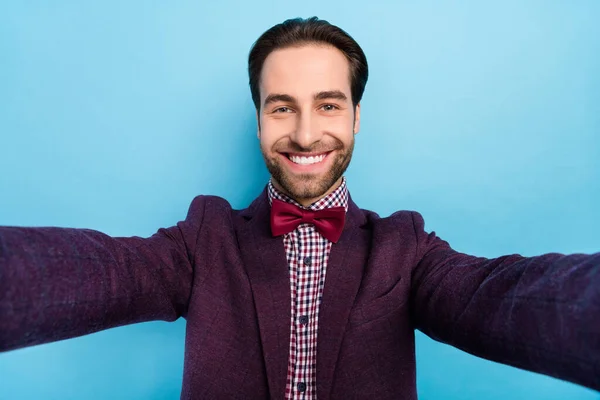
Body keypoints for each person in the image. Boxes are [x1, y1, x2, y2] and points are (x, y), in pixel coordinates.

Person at [0, 16, 598, 400]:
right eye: (282, 106)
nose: (307, 135)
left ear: (358, 118)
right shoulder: (202, 239)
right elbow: (87, 272)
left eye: (329, 106)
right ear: (258, 119)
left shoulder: (406, 247)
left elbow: (510, 296)